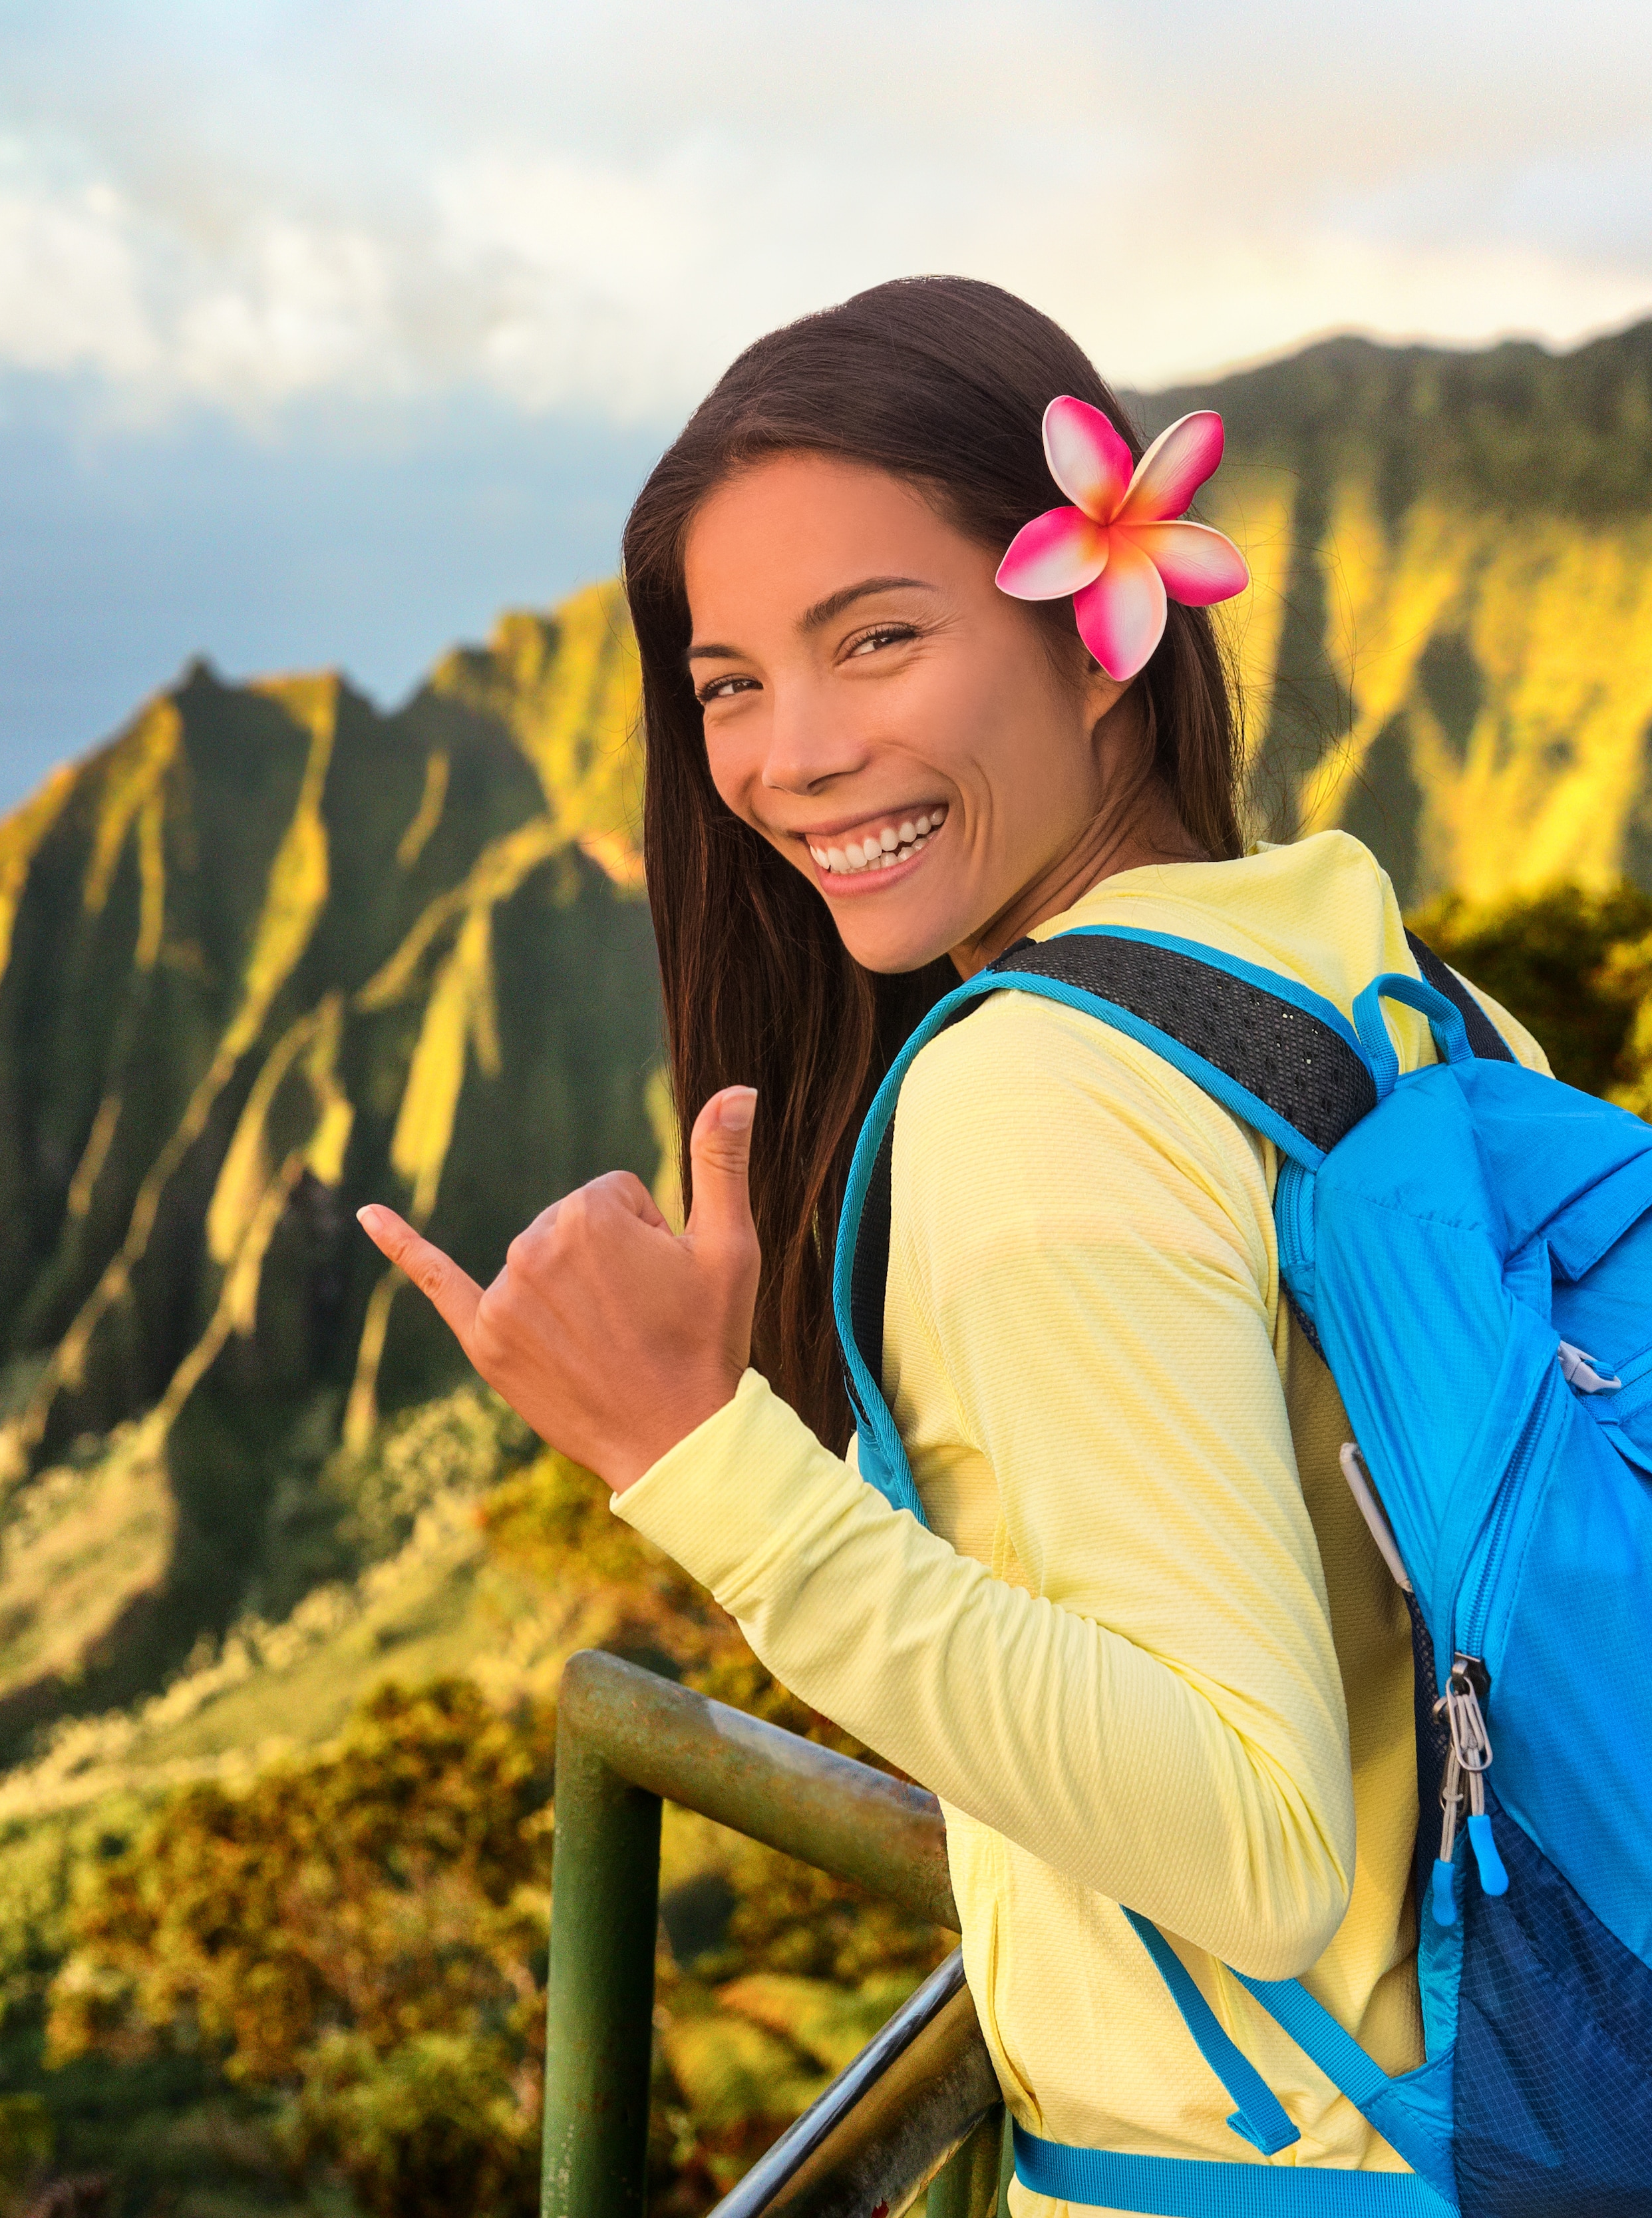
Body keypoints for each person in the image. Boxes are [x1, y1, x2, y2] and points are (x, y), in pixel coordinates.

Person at [357, 276, 1550, 2213]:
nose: (791, 757)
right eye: (731, 682)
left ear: (1101, 639)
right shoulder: (1391, 981)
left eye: (879, 639)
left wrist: (700, 1465)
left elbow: (1260, 1846)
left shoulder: (1038, 1093)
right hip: (1537, 2123)